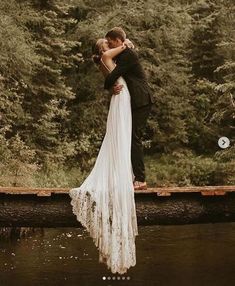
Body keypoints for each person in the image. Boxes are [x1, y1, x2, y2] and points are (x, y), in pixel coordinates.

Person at [69, 37, 138, 274]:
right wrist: (126, 42)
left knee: (119, 137)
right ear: (103, 49)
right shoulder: (107, 56)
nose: (110, 45)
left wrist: (110, 85)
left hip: (120, 97)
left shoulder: (103, 61)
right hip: (121, 99)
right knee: (120, 137)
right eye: (107, 44)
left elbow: (113, 74)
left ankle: (121, 172)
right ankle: (120, 175)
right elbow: (125, 50)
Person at [104, 27, 155, 191]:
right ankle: (134, 176)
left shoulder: (128, 55)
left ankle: (140, 179)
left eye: (111, 42)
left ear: (118, 40)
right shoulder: (123, 53)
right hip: (135, 101)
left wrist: (107, 85)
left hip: (141, 100)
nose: (110, 46)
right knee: (131, 136)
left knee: (135, 138)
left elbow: (111, 77)